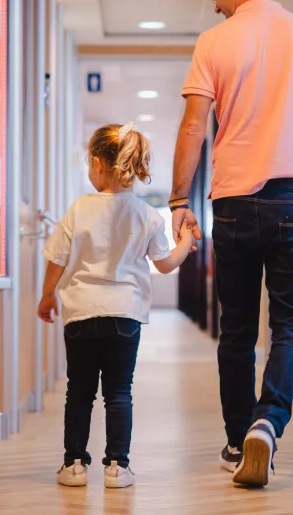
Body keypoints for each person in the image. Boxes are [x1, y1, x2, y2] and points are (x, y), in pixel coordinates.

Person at [170, 0, 293, 487]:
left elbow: (194, 126)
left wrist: (178, 199)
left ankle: (234, 439)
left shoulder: (213, 41)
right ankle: (267, 424)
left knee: (238, 330)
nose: (216, 5)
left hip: (232, 201)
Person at [38, 123, 196, 489]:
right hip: (125, 314)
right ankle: (117, 467)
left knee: (79, 391)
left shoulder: (79, 209)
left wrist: (47, 296)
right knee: (119, 392)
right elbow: (165, 264)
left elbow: (57, 259)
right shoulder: (147, 214)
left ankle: (74, 465)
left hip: (80, 312)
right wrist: (186, 240)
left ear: (97, 163)